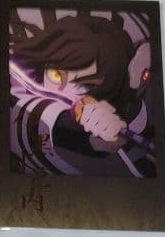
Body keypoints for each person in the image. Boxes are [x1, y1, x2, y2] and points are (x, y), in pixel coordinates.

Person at [8, 9, 155, 176]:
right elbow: (26, 115)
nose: (65, 91)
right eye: (57, 76)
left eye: (87, 87)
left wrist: (98, 140)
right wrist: (74, 130)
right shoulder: (19, 86)